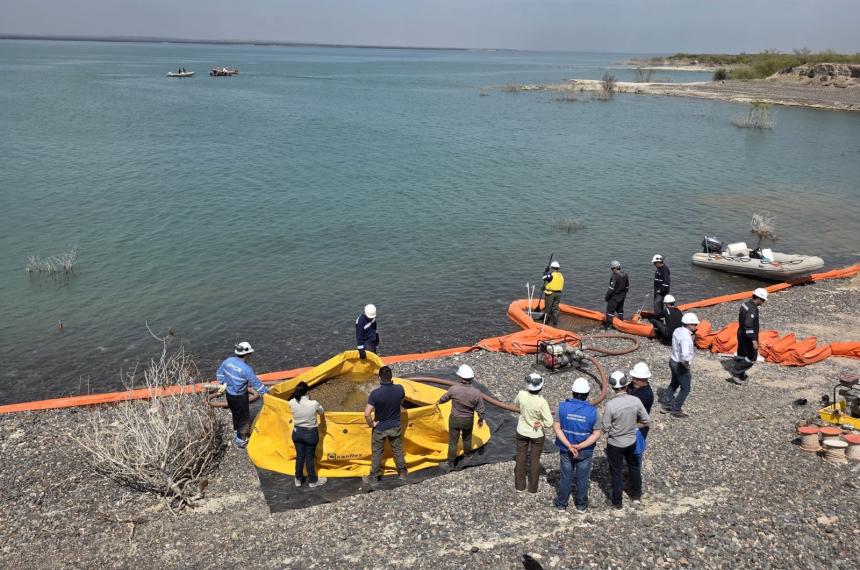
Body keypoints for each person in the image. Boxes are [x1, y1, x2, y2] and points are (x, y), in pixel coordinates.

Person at [601, 371, 649, 509]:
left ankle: (617, 502)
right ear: (624, 384)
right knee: (634, 467)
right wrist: (633, 425)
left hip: (615, 443)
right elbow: (646, 421)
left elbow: (605, 427)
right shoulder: (635, 401)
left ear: (612, 386)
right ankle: (636, 496)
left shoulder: (611, 405)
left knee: (616, 472)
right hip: (631, 440)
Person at [553, 377, 602, 513]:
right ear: (587, 394)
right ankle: (581, 505)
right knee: (582, 478)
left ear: (573, 392)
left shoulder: (561, 407)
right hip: (585, 451)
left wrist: (569, 445)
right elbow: (597, 433)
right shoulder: (593, 411)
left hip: (566, 449)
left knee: (566, 477)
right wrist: (580, 446)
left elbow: (557, 428)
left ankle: (561, 504)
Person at [215, 341, 270, 448]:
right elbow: (256, 384)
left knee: (235, 413)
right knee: (244, 417)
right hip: (240, 396)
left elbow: (219, 373)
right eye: (250, 354)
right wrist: (267, 393)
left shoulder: (228, 361)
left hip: (229, 395)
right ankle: (241, 439)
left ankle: (236, 430)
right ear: (247, 354)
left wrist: (223, 383)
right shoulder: (247, 369)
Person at [363, 366, 407, 482]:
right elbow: (401, 402)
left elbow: (367, 413)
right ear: (391, 376)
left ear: (380, 378)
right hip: (395, 425)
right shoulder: (400, 389)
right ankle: (402, 473)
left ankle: (374, 476)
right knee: (397, 450)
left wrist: (372, 424)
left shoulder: (375, 394)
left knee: (377, 452)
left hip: (380, 428)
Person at [438, 364, 486, 470]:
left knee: (453, 442)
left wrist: (437, 403)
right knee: (467, 438)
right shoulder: (476, 393)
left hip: (455, 419)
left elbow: (443, 399)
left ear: (460, 377)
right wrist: (481, 419)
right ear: (471, 378)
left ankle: (450, 464)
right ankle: (467, 457)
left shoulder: (454, 389)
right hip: (468, 420)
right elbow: (481, 409)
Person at [513, 373, 553, 493]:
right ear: (541, 386)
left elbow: (516, 404)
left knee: (520, 457)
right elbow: (550, 422)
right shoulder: (542, 402)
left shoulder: (521, 394)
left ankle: (520, 486)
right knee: (535, 460)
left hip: (522, 430)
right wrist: (540, 423)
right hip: (536, 434)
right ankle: (532, 489)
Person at [289, 381, 327, 488]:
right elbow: (322, 412)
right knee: (309, 457)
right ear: (307, 392)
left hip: (297, 432)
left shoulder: (292, 402)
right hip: (310, 433)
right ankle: (313, 481)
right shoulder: (313, 403)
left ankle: (298, 479)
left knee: (300, 456)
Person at [728, 288, 768, 385]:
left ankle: (741, 374)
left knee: (742, 355)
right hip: (747, 336)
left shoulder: (745, 305)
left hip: (741, 333)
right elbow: (748, 325)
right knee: (751, 357)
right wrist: (753, 340)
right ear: (758, 298)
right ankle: (736, 372)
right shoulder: (752, 309)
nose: (763, 302)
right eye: (762, 300)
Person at [664, 313, 699, 417]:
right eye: (694, 324)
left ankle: (668, 403)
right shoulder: (686, 338)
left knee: (674, 383)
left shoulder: (677, 330)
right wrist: (686, 365)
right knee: (685, 388)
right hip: (680, 364)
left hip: (673, 360)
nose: (696, 326)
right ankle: (676, 409)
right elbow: (685, 355)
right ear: (689, 324)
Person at [626, 362, 654, 450]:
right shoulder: (633, 386)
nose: (634, 380)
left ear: (645, 379)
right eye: (634, 378)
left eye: (637, 379)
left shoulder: (646, 395)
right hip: (629, 422)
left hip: (637, 426)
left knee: (635, 451)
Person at [604, 260, 630, 328]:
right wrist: (624, 295)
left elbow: (611, 289)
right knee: (620, 310)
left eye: (612, 268)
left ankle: (608, 325)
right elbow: (627, 287)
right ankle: (621, 323)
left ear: (615, 268)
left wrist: (607, 297)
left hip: (614, 297)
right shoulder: (625, 274)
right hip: (622, 296)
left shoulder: (614, 276)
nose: (611, 270)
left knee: (610, 311)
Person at [541, 260, 564, 326]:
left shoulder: (551, 275)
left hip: (550, 294)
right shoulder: (561, 275)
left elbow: (544, 278)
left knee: (548, 308)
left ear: (552, 268)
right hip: (558, 294)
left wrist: (546, 271)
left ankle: (545, 322)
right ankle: (555, 322)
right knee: (556, 308)